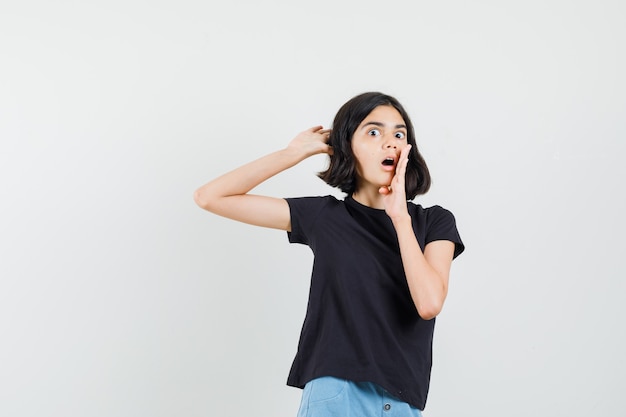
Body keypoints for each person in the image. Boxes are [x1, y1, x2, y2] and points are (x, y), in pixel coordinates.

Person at [194, 92, 465, 416]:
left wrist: (399, 218)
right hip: (336, 393)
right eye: (373, 132)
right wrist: (292, 153)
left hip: (402, 404)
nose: (389, 142)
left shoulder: (433, 221)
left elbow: (429, 303)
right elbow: (210, 197)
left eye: (399, 133)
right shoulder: (325, 216)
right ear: (348, 145)